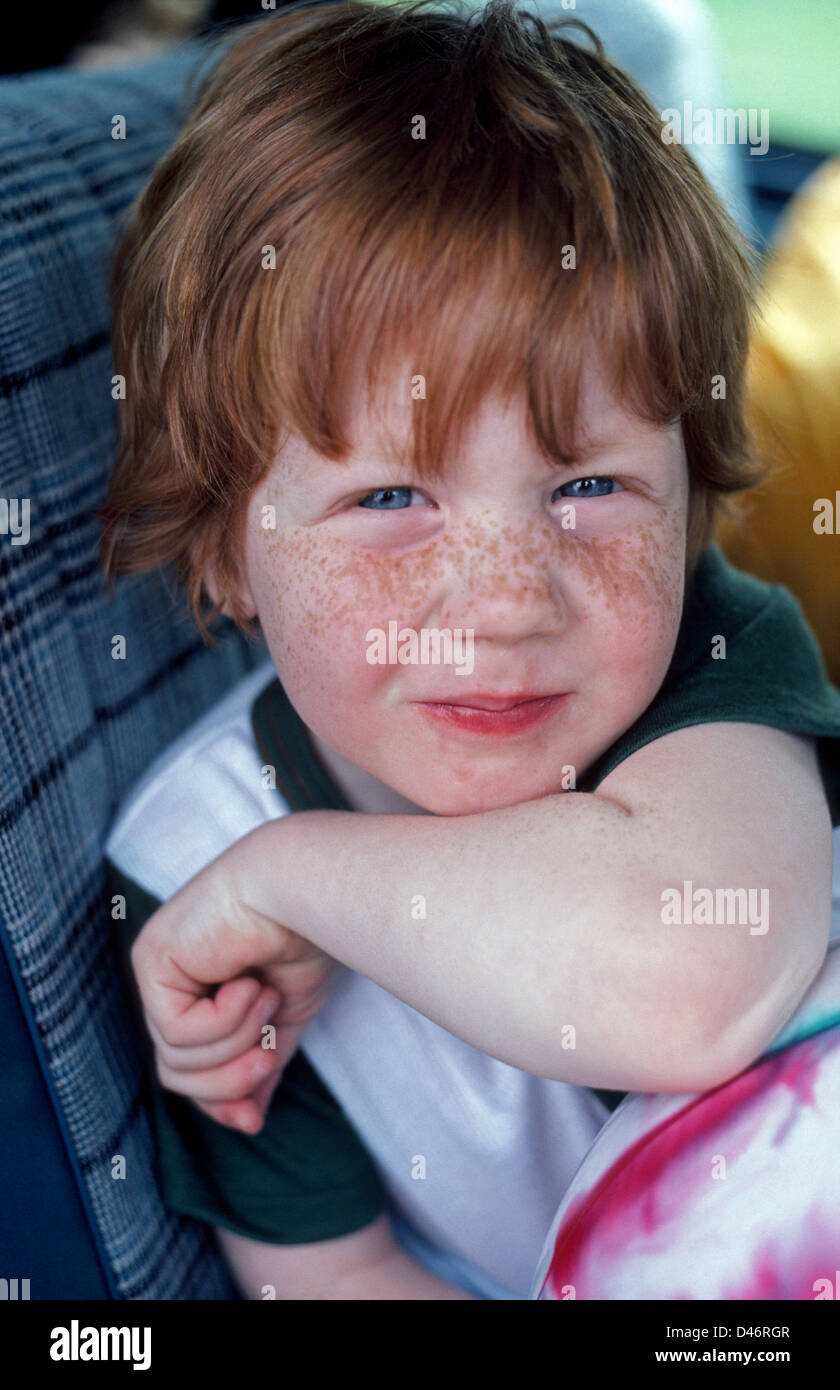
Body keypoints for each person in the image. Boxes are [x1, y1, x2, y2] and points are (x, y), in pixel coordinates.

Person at [99, 0, 840, 1300]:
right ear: (225, 550)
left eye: (589, 488)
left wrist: (294, 878)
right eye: (391, 500)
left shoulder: (713, 655)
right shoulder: (186, 874)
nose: (505, 604)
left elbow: (684, 978)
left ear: (688, 498)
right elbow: (328, 1274)